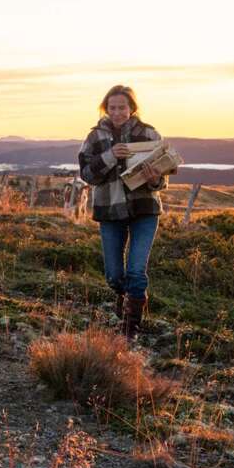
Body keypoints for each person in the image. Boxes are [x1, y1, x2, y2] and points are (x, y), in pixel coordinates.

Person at [77, 84, 171, 340]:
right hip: (109, 210)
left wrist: (153, 178)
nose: (117, 112)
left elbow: (162, 181)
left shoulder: (149, 134)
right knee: (114, 276)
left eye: (122, 107)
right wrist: (109, 156)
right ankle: (125, 298)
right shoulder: (94, 138)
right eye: (112, 107)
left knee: (136, 271)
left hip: (145, 209)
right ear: (106, 109)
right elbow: (86, 175)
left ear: (132, 109)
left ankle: (131, 329)